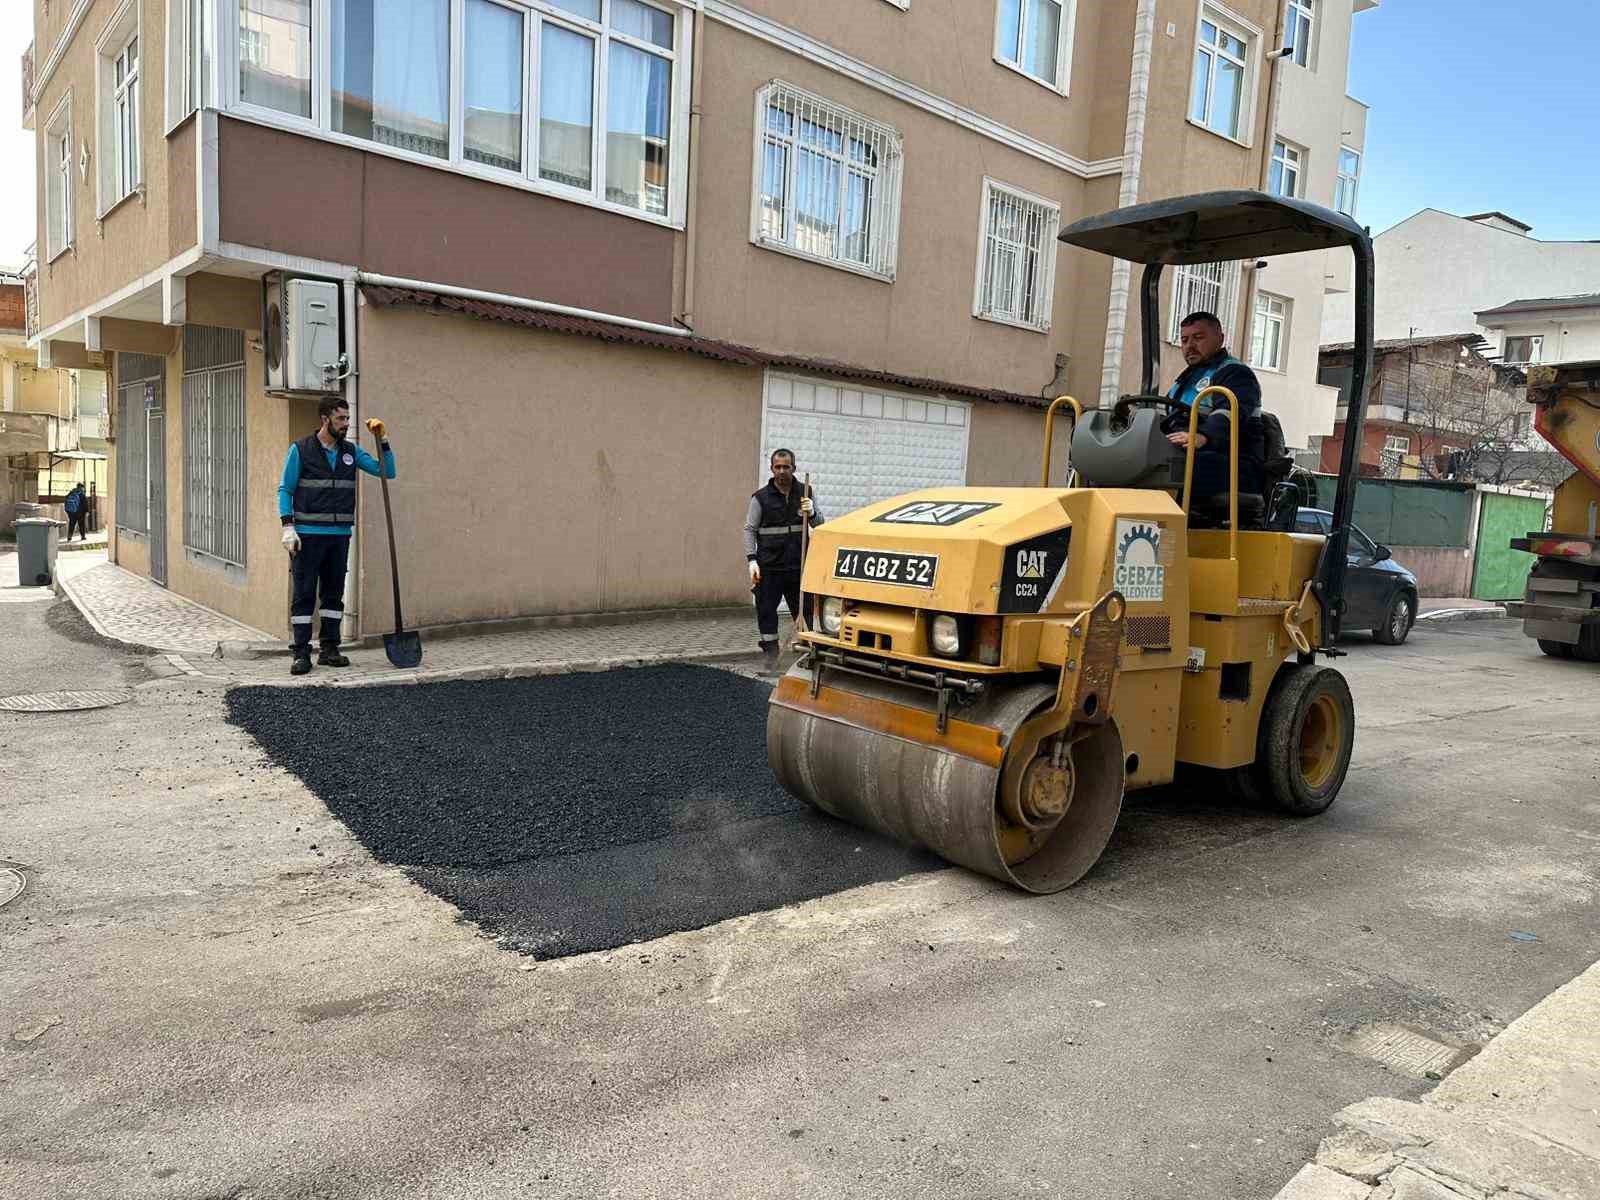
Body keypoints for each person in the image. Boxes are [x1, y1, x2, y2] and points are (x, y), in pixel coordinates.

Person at [278, 398, 396, 676]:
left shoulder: (350, 452)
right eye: (341, 418)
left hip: (339, 536)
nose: (346, 424)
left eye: (347, 418)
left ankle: (330, 649)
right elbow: (286, 489)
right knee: (304, 595)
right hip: (307, 536)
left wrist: (384, 440)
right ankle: (301, 653)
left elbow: (387, 472)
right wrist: (287, 526)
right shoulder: (300, 450)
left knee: (333, 595)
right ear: (325, 419)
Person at [1162, 310, 1266, 510]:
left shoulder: (1235, 373)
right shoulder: (1183, 382)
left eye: (1198, 338)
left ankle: (1167, 529)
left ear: (1220, 338)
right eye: (1184, 340)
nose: (1189, 346)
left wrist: (1203, 436)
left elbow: (1230, 412)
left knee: (1176, 470)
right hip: (1195, 454)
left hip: (1234, 463)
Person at [743, 449, 824, 671]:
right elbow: (749, 529)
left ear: (793, 468)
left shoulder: (805, 492)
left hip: (798, 567)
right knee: (767, 611)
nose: (782, 471)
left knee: (805, 612)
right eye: (777, 467)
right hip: (769, 566)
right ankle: (771, 655)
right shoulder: (760, 498)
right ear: (771, 469)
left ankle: (808, 653)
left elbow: (820, 526)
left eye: (786, 466)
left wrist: (813, 512)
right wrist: (752, 560)